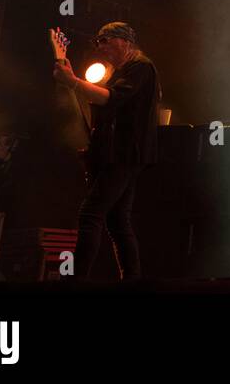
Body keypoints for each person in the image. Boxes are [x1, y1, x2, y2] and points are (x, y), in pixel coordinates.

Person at [52, 21, 161, 280]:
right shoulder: (125, 70)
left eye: (105, 40)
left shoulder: (140, 68)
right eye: (98, 42)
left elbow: (111, 98)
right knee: (117, 221)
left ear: (124, 41)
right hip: (122, 154)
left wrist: (74, 81)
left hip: (126, 154)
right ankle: (131, 279)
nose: (100, 47)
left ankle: (77, 280)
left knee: (91, 213)